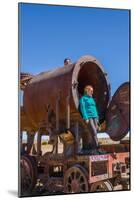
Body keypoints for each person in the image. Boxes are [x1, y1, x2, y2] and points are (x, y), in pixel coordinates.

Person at [79, 85, 100, 153]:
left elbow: (94, 108)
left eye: (92, 91)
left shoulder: (92, 99)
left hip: (95, 117)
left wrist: (97, 118)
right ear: (87, 91)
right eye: (91, 91)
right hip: (89, 117)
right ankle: (97, 148)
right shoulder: (83, 98)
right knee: (93, 131)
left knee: (95, 131)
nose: (92, 92)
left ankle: (92, 147)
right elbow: (83, 108)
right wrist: (85, 117)